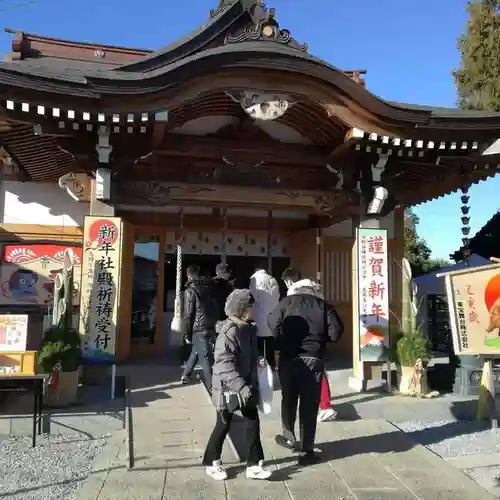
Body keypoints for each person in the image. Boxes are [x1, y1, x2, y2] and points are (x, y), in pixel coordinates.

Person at [268, 267, 344, 465]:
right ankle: (306, 451)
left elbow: (271, 324)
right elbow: (336, 333)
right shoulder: (323, 305)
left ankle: (288, 436)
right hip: (313, 359)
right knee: (310, 406)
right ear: (313, 289)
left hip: (288, 359)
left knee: (289, 398)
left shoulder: (286, 302)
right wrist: (321, 339)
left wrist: (282, 339)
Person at [203, 289, 272, 481]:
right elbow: (224, 364)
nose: (254, 310)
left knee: (252, 423)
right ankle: (211, 461)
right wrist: (240, 386)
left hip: (246, 385)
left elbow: (251, 354)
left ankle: (254, 464)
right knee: (223, 424)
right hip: (228, 388)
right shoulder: (230, 331)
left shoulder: (249, 328)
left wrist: (259, 363)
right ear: (241, 309)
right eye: (251, 307)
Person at [180, 265, 219, 391]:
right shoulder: (208, 288)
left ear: (188, 276)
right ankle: (186, 374)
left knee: (205, 358)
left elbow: (188, 314)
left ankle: (212, 386)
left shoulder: (190, 291)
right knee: (196, 351)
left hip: (198, 328)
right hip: (210, 326)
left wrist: (186, 333)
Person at [249, 268, 280, 370]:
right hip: (272, 315)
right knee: (270, 343)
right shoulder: (273, 280)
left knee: (260, 344)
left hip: (259, 315)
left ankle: (261, 368)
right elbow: (277, 297)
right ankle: (271, 366)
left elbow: (252, 297)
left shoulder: (255, 280)